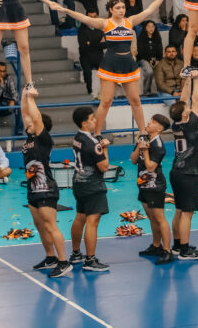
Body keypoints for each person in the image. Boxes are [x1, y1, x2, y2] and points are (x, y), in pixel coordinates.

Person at [56, 0, 172, 137]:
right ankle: (97, 134)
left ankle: (142, 132)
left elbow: (150, 9)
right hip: (110, 64)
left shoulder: (130, 22)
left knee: (136, 101)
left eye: (123, 7)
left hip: (128, 64)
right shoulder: (105, 23)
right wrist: (65, 9)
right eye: (117, 7)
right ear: (111, 9)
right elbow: (84, 19)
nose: (121, 10)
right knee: (106, 101)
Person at [19, 87, 70, 276]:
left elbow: (36, 117)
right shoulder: (30, 137)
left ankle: (64, 262)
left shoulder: (44, 139)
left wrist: (32, 98)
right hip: (32, 189)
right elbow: (25, 112)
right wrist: (25, 95)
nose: (28, 123)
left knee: (50, 225)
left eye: (32, 122)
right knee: (40, 225)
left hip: (46, 188)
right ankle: (51, 257)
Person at [68, 106, 111, 272]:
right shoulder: (93, 143)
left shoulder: (77, 138)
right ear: (85, 123)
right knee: (92, 222)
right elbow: (104, 167)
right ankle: (90, 260)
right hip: (93, 186)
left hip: (78, 183)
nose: (95, 121)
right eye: (92, 119)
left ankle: (76, 253)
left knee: (80, 218)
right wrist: (105, 148)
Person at [168, 71, 198, 258]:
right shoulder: (190, 124)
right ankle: (184, 249)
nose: (189, 108)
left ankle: (176, 245)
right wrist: (197, 79)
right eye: (187, 109)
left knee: (179, 209)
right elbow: (197, 100)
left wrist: (186, 80)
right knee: (188, 213)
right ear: (184, 115)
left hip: (176, 171)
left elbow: (183, 101)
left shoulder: (176, 124)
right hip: (188, 173)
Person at [131, 114, 175, 265]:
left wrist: (146, 150)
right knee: (151, 217)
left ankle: (168, 251)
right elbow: (133, 160)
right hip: (143, 185)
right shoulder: (145, 140)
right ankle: (156, 245)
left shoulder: (158, 146)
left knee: (159, 218)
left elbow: (150, 167)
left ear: (160, 128)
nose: (149, 123)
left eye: (153, 122)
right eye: (150, 120)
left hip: (155, 186)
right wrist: (139, 145)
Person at [77, 9, 104, 95]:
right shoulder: (81, 30)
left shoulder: (101, 28)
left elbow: (106, 45)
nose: (92, 19)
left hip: (99, 56)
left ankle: (105, 92)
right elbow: (83, 47)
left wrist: (90, 43)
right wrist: (98, 42)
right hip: (86, 57)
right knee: (87, 73)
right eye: (90, 17)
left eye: (94, 17)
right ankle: (89, 92)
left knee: (107, 71)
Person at [137, 20, 162, 96]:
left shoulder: (157, 37)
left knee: (161, 70)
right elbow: (141, 53)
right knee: (149, 71)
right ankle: (146, 91)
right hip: (143, 59)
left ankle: (161, 91)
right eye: (149, 26)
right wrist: (150, 61)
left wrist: (157, 60)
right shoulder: (141, 38)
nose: (151, 28)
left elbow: (160, 51)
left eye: (153, 26)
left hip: (155, 59)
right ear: (145, 28)